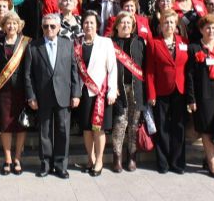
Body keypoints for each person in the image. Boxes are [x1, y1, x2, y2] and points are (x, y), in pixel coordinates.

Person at [24, 13, 81, 179]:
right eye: (45, 26)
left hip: (64, 95)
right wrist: (31, 96)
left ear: (59, 28)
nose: (49, 29)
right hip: (42, 97)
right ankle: (46, 164)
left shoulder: (68, 44)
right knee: (44, 132)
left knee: (63, 132)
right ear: (41, 28)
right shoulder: (33, 46)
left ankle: (60, 165)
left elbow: (73, 70)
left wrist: (76, 93)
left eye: (52, 26)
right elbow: (28, 75)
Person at [186, 14, 214, 178]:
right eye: (207, 28)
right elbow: (189, 75)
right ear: (201, 30)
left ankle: (208, 157)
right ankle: (213, 165)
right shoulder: (194, 48)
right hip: (203, 93)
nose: (211, 30)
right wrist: (191, 99)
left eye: (213, 27)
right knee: (205, 129)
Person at [146, 9, 188, 175]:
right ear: (161, 26)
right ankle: (163, 163)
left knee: (179, 127)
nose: (169, 25)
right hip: (161, 90)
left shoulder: (183, 41)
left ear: (176, 25)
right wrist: (151, 93)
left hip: (180, 90)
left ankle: (177, 163)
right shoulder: (154, 43)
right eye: (165, 22)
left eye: (171, 22)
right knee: (162, 127)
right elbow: (149, 70)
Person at [75, 11, 117, 177]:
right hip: (84, 92)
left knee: (98, 129)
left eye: (92, 23)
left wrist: (112, 90)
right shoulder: (77, 43)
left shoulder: (106, 42)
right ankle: (90, 159)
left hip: (101, 92)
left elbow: (112, 68)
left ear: (97, 25)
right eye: (86, 22)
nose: (88, 26)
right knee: (86, 128)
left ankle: (99, 160)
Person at [0, 12, 30, 176]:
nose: (11, 26)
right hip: (3, 91)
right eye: (8, 23)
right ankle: (7, 159)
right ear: (4, 26)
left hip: (21, 90)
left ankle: (17, 158)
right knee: (5, 125)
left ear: (19, 25)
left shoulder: (26, 42)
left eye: (14, 23)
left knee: (21, 125)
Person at [110, 11, 147, 173]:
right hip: (119, 89)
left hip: (136, 89)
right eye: (122, 22)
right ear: (117, 25)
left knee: (133, 125)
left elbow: (145, 66)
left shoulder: (140, 42)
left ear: (133, 26)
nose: (125, 25)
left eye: (128, 23)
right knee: (120, 123)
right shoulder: (110, 43)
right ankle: (116, 157)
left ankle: (132, 156)